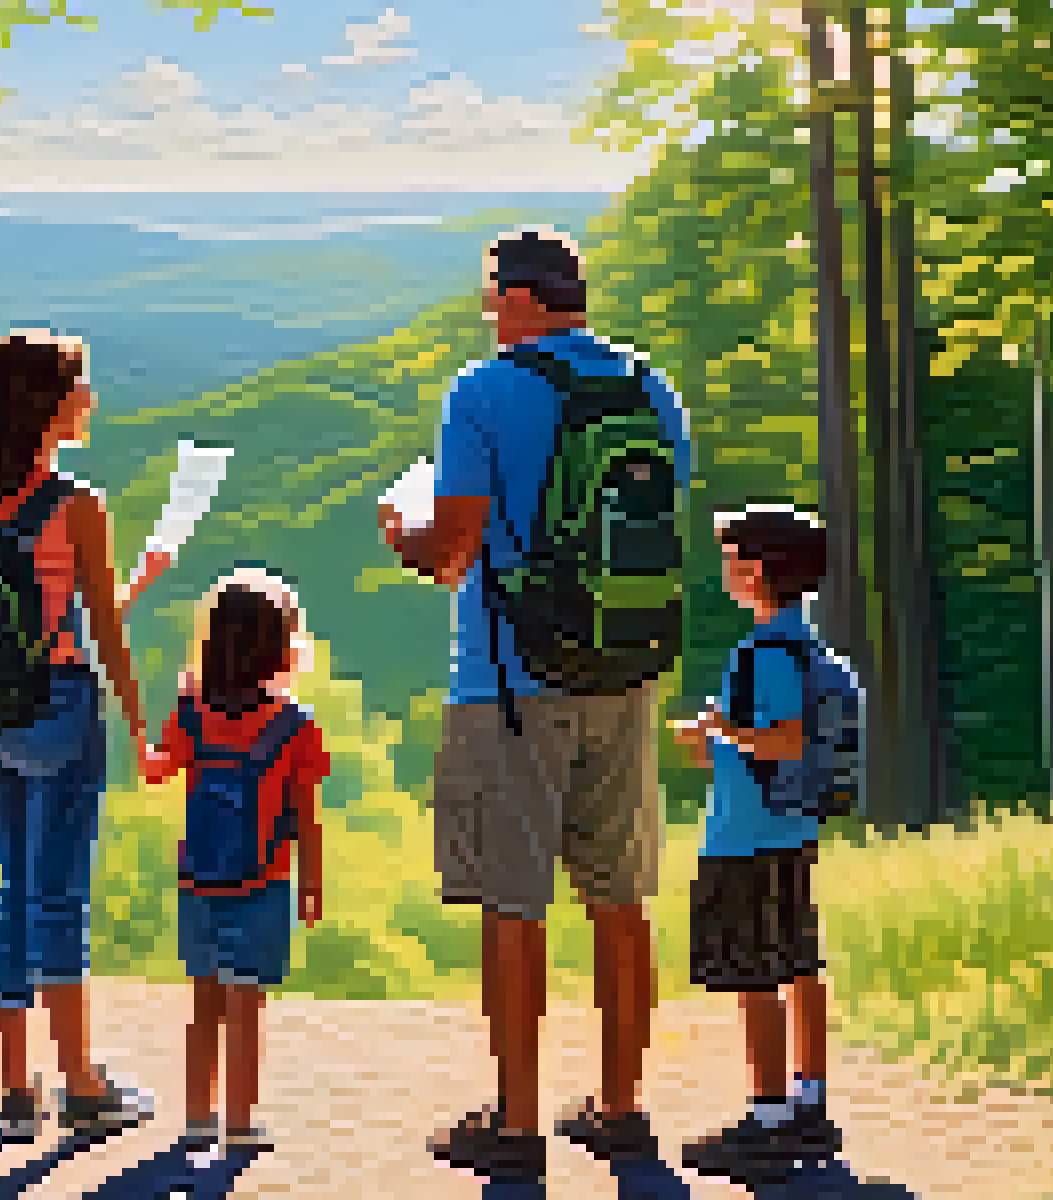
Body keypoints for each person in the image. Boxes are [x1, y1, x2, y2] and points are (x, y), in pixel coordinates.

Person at [378, 228, 692, 1180]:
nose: (487, 313)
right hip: (626, 670)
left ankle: (515, 1126)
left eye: (489, 297)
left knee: (513, 904)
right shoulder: (650, 387)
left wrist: (400, 525)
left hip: (513, 680)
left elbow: (451, 553)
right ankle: (621, 1107)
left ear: (517, 298)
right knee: (619, 896)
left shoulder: (483, 390)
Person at [0, 329, 173, 1142]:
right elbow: (99, 639)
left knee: (13, 888)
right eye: (79, 386)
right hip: (59, 713)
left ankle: (13, 1089)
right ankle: (82, 1084)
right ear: (48, 402)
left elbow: (29, 621)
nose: (89, 399)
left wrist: (136, 579)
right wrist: (142, 731)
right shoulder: (72, 504)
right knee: (58, 895)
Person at [669, 505, 847, 1186]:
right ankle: (810, 1103)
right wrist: (723, 737)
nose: (724, 569)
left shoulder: (763, 651)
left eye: (730, 556)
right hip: (791, 829)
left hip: (749, 839)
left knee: (755, 977)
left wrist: (723, 732)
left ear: (755, 570)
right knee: (799, 963)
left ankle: (768, 1119)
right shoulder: (802, 645)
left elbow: (785, 738)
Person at [138, 568, 331, 1157]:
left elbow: (156, 770)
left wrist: (152, 723)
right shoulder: (295, 726)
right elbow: (305, 816)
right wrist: (312, 886)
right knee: (245, 1010)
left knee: (205, 1006)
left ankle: (198, 1120)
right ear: (282, 650)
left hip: (199, 881)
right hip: (265, 883)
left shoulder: (192, 714)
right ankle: (240, 1125)